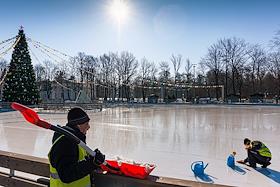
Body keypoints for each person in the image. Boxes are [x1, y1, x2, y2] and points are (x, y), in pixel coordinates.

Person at [48, 107, 105, 187]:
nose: (88, 127)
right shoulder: (65, 142)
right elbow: (66, 175)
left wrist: (93, 160)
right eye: (86, 123)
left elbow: (75, 162)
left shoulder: (75, 140)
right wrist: (92, 163)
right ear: (78, 124)